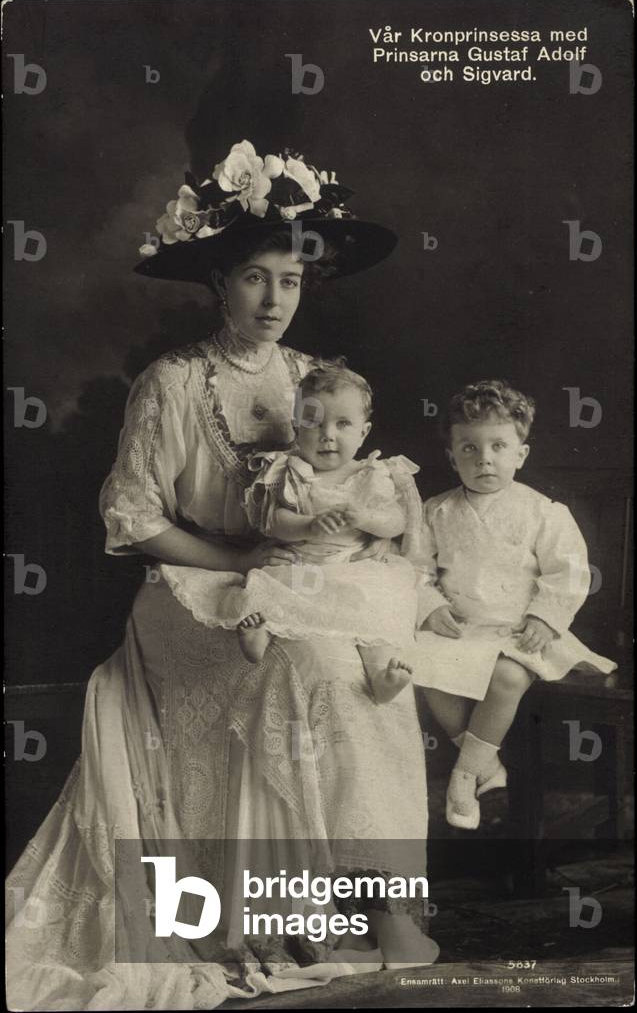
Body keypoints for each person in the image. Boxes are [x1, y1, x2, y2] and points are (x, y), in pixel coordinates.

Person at [6, 140, 438, 1011]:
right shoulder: (171, 382)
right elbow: (133, 521)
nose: (274, 300)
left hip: (298, 586)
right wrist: (242, 561)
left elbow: (353, 489)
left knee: (366, 670)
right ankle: (280, 912)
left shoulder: (309, 382)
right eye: (252, 278)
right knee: (302, 665)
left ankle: (375, 905)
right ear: (217, 283)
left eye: (289, 280)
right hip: (188, 589)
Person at [407, 379, 617, 830]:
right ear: (452, 456)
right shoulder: (435, 511)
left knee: (507, 676)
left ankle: (464, 775)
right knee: (424, 669)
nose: (484, 458)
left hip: (521, 629)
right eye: (469, 448)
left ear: (520, 453)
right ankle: (487, 764)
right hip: (463, 628)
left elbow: (569, 571)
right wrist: (429, 605)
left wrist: (545, 617)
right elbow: (415, 569)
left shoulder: (544, 512)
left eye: (498, 446)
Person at [162, 358, 422, 704]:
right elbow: (274, 520)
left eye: (343, 424)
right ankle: (260, 635)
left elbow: (396, 521)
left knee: (378, 608)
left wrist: (365, 518)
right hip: (300, 562)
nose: (328, 435)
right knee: (268, 585)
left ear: (363, 432)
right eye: (314, 422)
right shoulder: (291, 471)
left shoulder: (371, 475)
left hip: (354, 566)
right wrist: (310, 525)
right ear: (297, 426)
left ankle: (381, 676)